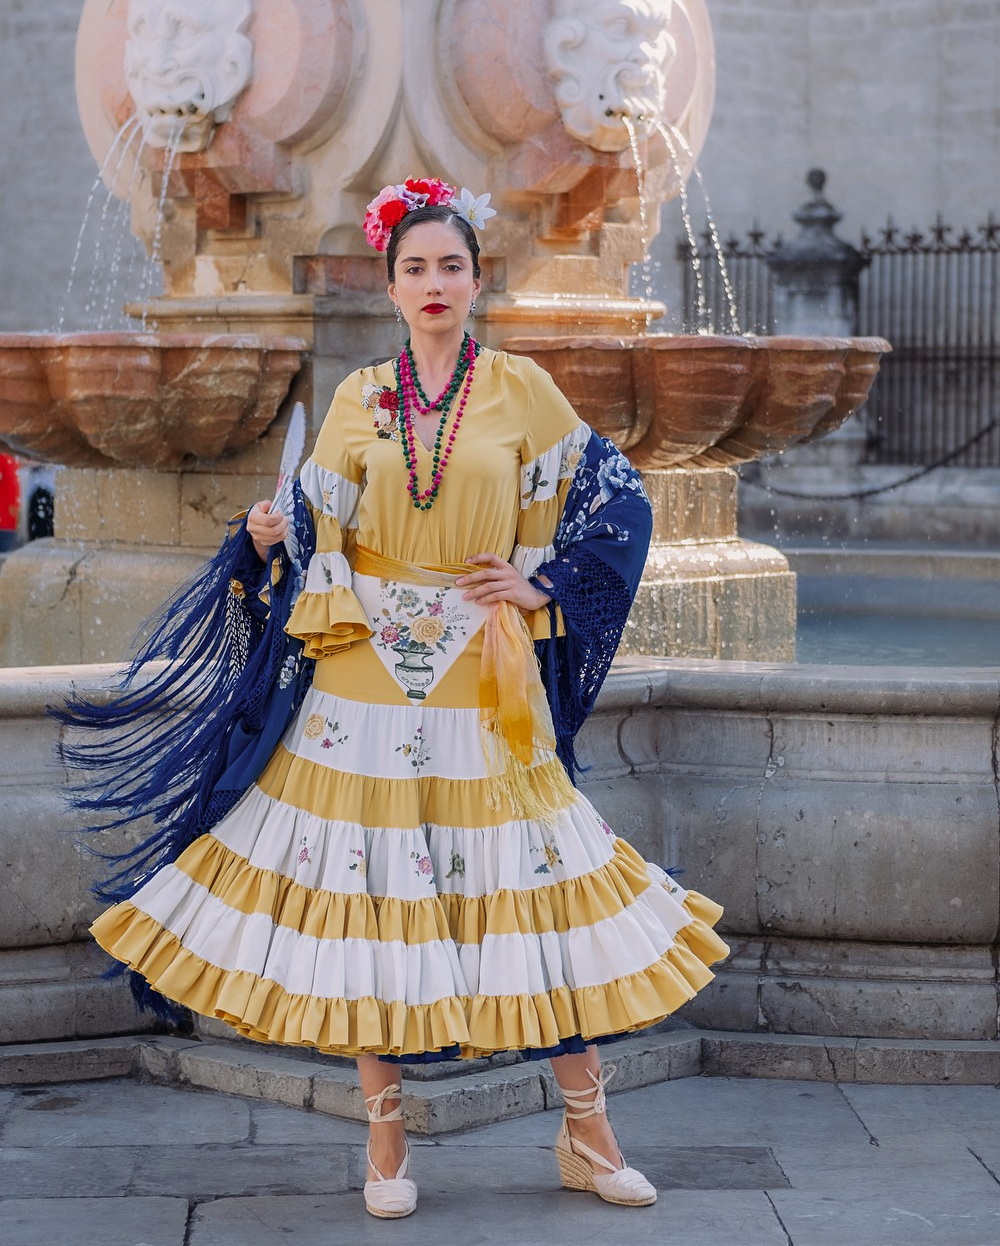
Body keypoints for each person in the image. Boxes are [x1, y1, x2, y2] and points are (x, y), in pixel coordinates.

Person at [65, 178, 728, 1220]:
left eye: (450, 266)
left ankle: (588, 1135)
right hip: (361, 671)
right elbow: (313, 516)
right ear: (390, 284)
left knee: (533, 884)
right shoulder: (357, 397)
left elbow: (620, 498)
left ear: (475, 282)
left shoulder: (521, 390)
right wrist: (266, 537)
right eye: (414, 267)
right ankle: (384, 1142)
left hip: (482, 671)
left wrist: (543, 583)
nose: (433, 283)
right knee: (372, 896)